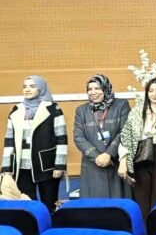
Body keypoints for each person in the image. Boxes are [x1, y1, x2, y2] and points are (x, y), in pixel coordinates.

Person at [117, 78, 156, 216]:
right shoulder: (137, 111)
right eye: (151, 90)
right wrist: (123, 162)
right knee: (142, 203)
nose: (154, 94)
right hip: (141, 157)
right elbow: (126, 138)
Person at [1, 76, 67, 212]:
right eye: (24, 86)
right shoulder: (16, 111)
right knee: (27, 205)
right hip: (22, 167)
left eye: (32, 86)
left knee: (49, 205)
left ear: (41, 88)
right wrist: (6, 168)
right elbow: (8, 141)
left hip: (47, 167)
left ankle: (50, 231)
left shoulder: (54, 109)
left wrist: (59, 165)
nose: (27, 89)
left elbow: (61, 138)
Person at [74, 74, 131, 199]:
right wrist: (97, 156)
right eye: (90, 89)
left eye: (98, 88)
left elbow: (125, 131)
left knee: (117, 207)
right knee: (95, 208)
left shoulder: (121, 105)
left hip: (115, 163)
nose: (93, 92)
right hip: (92, 165)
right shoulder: (81, 111)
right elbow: (78, 137)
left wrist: (108, 154)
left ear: (106, 88)